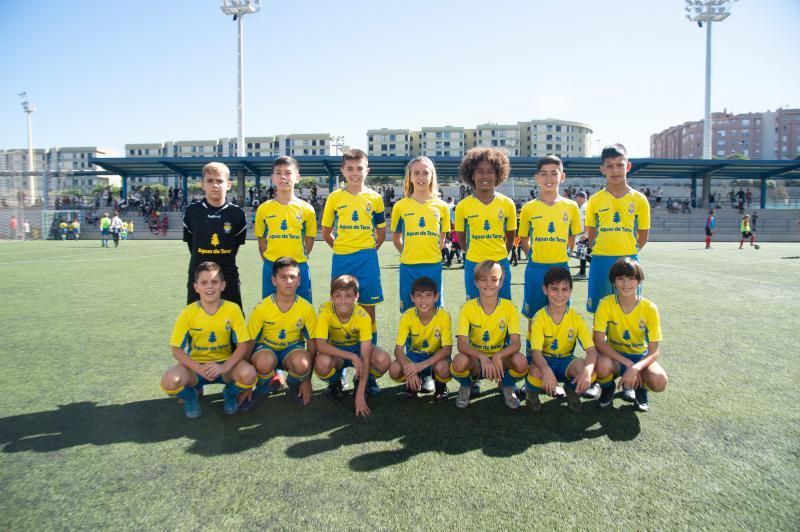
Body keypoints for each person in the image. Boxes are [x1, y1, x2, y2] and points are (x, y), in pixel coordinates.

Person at [321, 149, 385, 393]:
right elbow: (327, 232)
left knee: (368, 313)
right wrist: (343, 248)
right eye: (350, 168)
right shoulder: (335, 198)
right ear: (343, 171)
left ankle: (367, 376)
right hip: (342, 260)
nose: (355, 173)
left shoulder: (375, 198)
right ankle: (338, 374)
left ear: (367, 170)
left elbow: (380, 232)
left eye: (360, 168)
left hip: (367, 260)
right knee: (339, 310)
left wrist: (367, 250)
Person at [160, 262, 256, 418]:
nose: (209, 287)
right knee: (169, 382)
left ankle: (230, 395)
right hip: (196, 369)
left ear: (223, 285)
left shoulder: (232, 309)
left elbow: (243, 344)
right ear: (196, 287)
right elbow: (176, 350)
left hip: (225, 366)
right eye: (204, 282)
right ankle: (191, 397)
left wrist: (224, 367)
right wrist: (198, 368)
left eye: (214, 282)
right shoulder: (188, 313)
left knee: (249, 374)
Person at [450, 260, 528, 409]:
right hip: (477, 361)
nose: (489, 284)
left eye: (494, 279)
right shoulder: (467, 308)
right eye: (483, 279)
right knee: (459, 362)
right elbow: (461, 345)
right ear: (476, 282)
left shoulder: (509, 307)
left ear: (501, 282)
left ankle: (507, 386)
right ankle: (467, 386)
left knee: (521, 362)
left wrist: (498, 356)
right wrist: (482, 356)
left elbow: (516, 344)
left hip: (500, 361)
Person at [593, 258, 668, 412]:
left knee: (660, 381)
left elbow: (654, 351)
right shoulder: (605, 304)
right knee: (601, 366)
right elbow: (599, 341)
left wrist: (636, 368)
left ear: (639, 281)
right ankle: (608, 388)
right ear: (614, 282)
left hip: (640, 356)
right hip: (615, 356)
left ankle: (641, 389)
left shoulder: (650, 308)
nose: (626, 284)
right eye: (620, 279)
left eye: (631, 278)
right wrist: (628, 364)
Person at [242, 257, 317, 410]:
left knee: (302, 363)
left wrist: (307, 379)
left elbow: (312, 344)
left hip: (292, 350)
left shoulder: (306, 308)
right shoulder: (262, 308)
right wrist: (246, 382)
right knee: (264, 362)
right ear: (274, 280)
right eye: (283, 277)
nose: (288, 281)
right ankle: (263, 387)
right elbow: (249, 343)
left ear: (299, 280)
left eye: (292, 277)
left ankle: (293, 384)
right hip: (267, 349)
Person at [312, 275, 391, 417]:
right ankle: (335, 382)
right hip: (337, 354)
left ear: (356, 297)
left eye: (348, 296)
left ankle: (361, 382)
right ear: (331, 297)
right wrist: (352, 356)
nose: (343, 301)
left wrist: (360, 395)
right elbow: (321, 345)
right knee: (322, 363)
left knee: (383, 360)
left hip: (358, 350)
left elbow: (365, 357)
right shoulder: (325, 310)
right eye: (338, 296)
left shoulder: (363, 316)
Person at [585, 143, 650, 313]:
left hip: (628, 260)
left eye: (620, 165)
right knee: (600, 311)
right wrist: (600, 249)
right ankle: (600, 340)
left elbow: (643, 236)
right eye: (610, 166)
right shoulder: (595, 200)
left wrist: (628, 252)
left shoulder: (640, 199)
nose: (615, 170)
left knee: (629, 309)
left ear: (628, 166)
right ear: (603, 169)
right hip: (601, 260)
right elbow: (591, 233)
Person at [518, 155, 581, 324]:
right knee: (535, 315)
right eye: (544, 174)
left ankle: (560, 350)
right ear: (537, 177)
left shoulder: (571, 206)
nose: (549, 178)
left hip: (561, 266)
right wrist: (531, 255)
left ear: (562, 176)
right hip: (536, 268)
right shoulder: (529, 208)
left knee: (560, 313)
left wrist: (566, 252)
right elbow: (523, 237)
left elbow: (572, 234)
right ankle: (533, 350)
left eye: (554, 173)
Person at [525, 267, 598, 413]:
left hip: (565, 360)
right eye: (554, 289)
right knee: (535, 373)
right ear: (545, 289)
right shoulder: (539, 318)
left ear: (571, 291)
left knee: (589, 370)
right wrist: (546, 370)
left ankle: (571, 390)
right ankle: (531, 394)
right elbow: (536, 352)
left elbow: (591, 351)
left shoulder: (576, 319)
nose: (559, 294)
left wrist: (587, 371)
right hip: (543, 361)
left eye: (565, 289)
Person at [454, 148, 517, 300]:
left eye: (490, 171)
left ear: (498, 175)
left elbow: (510, 237)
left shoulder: (508, 204)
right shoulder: (463, 206)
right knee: (474, 308)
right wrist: (473, 253)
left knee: (503, 308)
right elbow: (461, 237)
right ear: (472, 174)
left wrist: (500, 254)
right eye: (480, 171)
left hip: (500, 263)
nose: (485, 176)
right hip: (473, 264)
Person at [183, 162, 247, 309]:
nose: (215, 185)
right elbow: (192, 245)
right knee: (196, 321)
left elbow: (235, 246)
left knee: (233, 321)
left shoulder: (237, 214)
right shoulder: (191, 212)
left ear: (229, 184)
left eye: (220, 181)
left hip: (228, 276)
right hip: (198, 276)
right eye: (210, 181)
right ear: (202, 184)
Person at [391, 156, 450, 312]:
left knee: (435, 312)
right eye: (416, 173)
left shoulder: (442, 206)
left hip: (433, 266)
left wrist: (432, 253)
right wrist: (408, 253)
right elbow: (396, 238)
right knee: (409, 311)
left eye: (425, 173)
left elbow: (442, 238)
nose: (421, 177)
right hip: (408, 267)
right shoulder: (400, 206)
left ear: (432, 177)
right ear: (409, 177)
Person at [254, 156, 317, 302]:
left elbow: (309, 239)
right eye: (278, 173)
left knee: (303, 308)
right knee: (270, 308)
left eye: (288, 173)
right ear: (273, 178)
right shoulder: (264, 209)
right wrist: (271, 261)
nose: (283, 177)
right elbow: (261, 240)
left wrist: (298, 257)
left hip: (298, 265)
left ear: (297, 177)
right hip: (272, 266)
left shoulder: (307, 209)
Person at [388, 276, 452, 400]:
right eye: (419, 296)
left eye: (428, 295)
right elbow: (398, 349)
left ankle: (440, 385)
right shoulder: (407, 316)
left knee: (443, 368)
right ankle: (412, 381)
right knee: (394, 369)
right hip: (414, 358)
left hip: (435, 359)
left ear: (436, 297)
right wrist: (409, 368)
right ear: (412, 298)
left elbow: (447, 349)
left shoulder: (444, 316)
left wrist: (421, 366)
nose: (423, 300)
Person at [574, 191, 590, 280]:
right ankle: (582, 272)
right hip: (584, 234)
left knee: (584, 254)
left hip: (585, 234)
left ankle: (583, 273)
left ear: (581, 198)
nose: (576, 199)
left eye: (577, 197)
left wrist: (585, 234)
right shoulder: (584, 206)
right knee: (583, 254)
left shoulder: (584, 207)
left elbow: (587, 222)